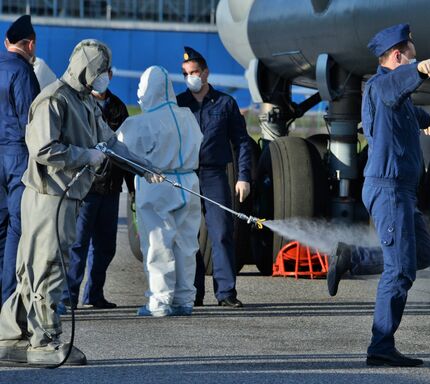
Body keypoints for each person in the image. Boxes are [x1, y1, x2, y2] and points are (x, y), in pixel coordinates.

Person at [0, 39, 160, 366]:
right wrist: (84, 155)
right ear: (86, 70)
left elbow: (111, 144)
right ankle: (45, 343)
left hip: (66, 196)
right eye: (101, 70)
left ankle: (12, 336)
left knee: (34, 271)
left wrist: (145, 168)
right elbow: (43, 149)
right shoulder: (53, 100)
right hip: (49, 197)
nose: (105, 77)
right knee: (46, 268)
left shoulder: (84, 102)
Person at [327, 24, 430, 367]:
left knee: (422, 254)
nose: (415, 55)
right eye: (411, 52)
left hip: (402, 191)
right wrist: (419, 71)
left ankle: (354, 259)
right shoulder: (380, 86)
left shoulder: (397, 97)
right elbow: (395, 88)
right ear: (397, 56)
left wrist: (425, 117)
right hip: (389, 189)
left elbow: (405, 108)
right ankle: (381, 345)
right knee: (400, 271)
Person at [117, 65, 203, 317]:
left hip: (157, 183)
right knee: (187, 243)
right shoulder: (187, 116)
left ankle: (159, 301)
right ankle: (184, 300)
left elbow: (118, 147)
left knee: (158, 243)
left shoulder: (141, 122)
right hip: (189, 183)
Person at [176, 47, 251, 308]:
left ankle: (226, 292)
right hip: (186, 176)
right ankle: (193, 291)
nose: (191, 77)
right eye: (186, 74)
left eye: (194, 72)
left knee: (221, 232)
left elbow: (242, 142)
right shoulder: (178, 104)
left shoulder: (225, 104)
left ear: (206, 73)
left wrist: (243, 177)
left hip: (214, 175)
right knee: (188, 236)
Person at [59, 68, 135, 313]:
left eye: (105, 73)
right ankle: (68, 296)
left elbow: (124, 149)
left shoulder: (118, 107)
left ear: (111, 75)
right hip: (86, 188)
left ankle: (94, 293)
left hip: (111, 188)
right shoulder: (79, 104)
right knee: (78, 244)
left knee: (105, 246)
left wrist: (132, 189)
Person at [0, 15, 40, 305]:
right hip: (16, 155)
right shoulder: (24, 72)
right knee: (18, 225)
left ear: (6, 42)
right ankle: (10, 299)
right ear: (31, 44)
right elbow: (32, 121)